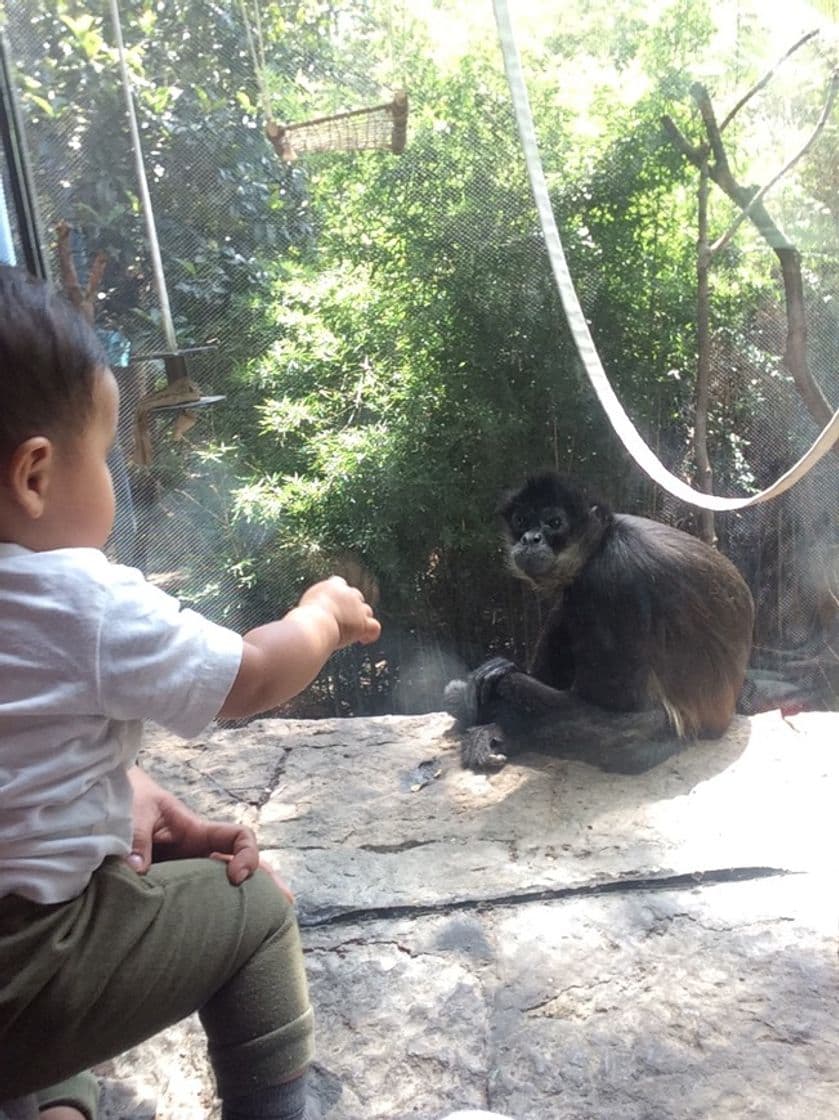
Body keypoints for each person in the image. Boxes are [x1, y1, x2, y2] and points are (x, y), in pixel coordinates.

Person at [0, 265, 382, 1120]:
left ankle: (51, 1102)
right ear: (34, 476)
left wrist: (121, 789)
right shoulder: (74, 599)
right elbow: (248, 676)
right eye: (99, 457)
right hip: (18, 971)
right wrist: (320, 615)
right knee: (250, 913)